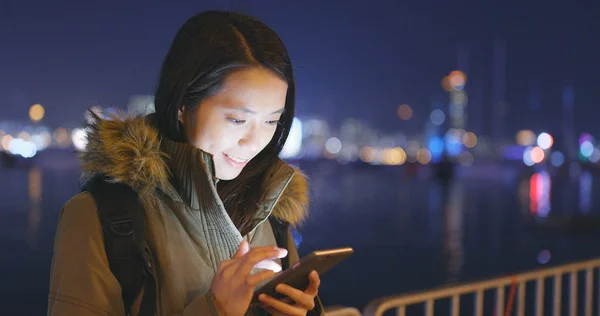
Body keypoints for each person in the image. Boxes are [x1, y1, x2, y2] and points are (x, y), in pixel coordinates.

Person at [48, 10, 323, 316]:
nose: (255, 142)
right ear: (183, 105)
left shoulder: (271, 206)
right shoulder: (102, 214)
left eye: (272, 121)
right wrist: (214, 309)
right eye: (237, 119)